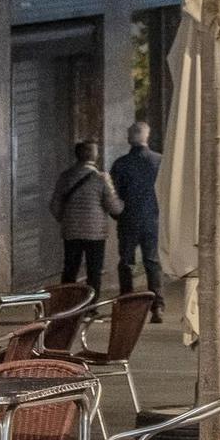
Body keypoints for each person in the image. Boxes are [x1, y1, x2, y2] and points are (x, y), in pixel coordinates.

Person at [51, 141, 122, 297]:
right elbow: (114, 207)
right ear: (94, 155)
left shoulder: (65, 177)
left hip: (71, 232)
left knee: (70, 269)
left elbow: (55, 206)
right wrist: (123, 207)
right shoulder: (102, 178)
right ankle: (90, 307)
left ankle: (65, 304)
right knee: (94, 272)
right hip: (95, 233)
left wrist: (66, 220)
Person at [109, 121, 163, 319]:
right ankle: (157, 305)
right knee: (152, 262)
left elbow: (112, 194)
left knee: (126, 262)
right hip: (152, 218)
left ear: (129, 138)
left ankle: (127, 303)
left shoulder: (120, 163)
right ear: (147, 137)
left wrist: (117, 214)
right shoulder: (159, 161)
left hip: (127, 219)